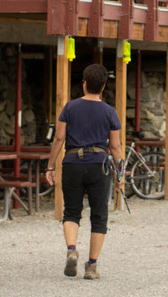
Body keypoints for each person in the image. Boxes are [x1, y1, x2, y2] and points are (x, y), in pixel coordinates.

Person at [45, 63, 123, 279]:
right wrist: (121, 175)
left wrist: (50, 165)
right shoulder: (109, 111)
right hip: (99, 165)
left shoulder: (70, 108)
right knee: (99, 216)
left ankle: (72, 249)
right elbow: (115, 147)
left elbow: (59, 138)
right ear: (104, 86)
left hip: (72, 163)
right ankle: (91, 266)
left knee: (71, 211)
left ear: (85, 84)